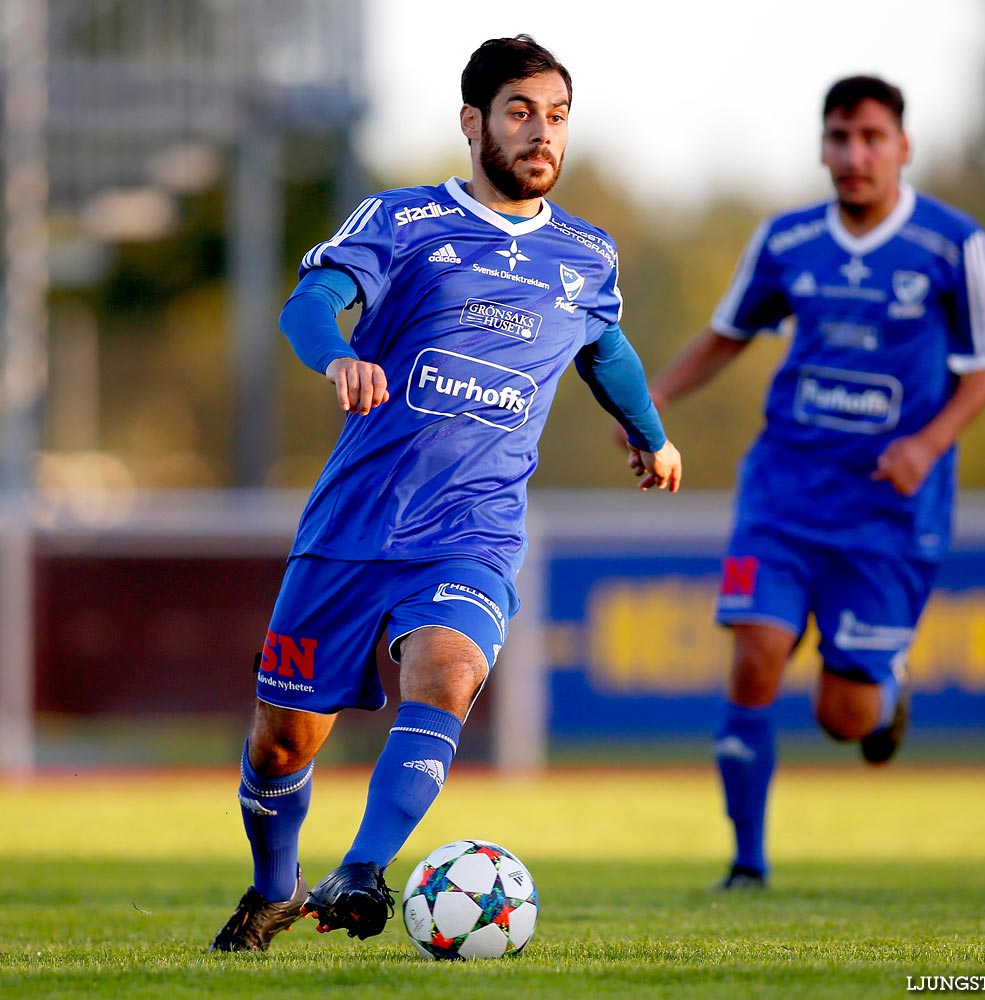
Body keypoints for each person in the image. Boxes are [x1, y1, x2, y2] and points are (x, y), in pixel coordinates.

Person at [210, 34, 681, 952]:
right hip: (353, 527)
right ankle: (274, 888)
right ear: (472, 122)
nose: (541, 134)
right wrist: (338, 355)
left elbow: (607, 352)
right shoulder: (402, 219)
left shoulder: (586, 256)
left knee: (450, 671)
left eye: (556, 116)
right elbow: (307, 305)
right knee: (281, 746)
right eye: (519, 112)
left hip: (473, 528)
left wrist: (651, 435)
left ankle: (363, 868)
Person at [635, 75, 985, 890]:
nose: (854, 154)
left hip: (888, 512)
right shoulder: (786, 240)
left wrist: (927, 442)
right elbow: (726, 334)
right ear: (821, 146)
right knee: (754, 657)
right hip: (783, 496)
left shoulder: (953, 245)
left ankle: (886, 688)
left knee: (845, 720)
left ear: (902, 148)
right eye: (839, 137)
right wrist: (650, 400)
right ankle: (746, 863)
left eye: (872, 137)